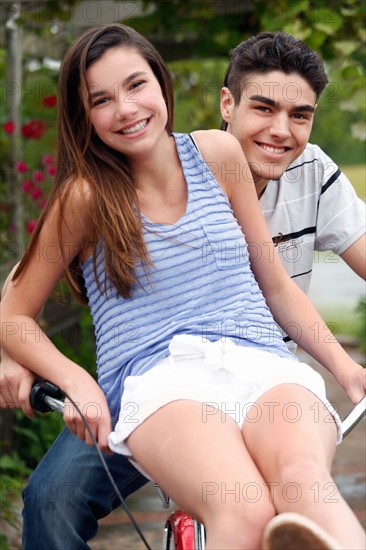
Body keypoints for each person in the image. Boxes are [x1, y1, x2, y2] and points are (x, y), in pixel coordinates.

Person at [0, 28, 365, 549]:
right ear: (83, 115)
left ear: (161, 83)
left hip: (261, 363)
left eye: (136, 85)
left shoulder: (218, 154)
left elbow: (276, 285)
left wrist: (349, 370)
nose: (125, 109)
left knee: (307, 487)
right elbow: (13, 311)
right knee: (243, 509)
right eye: (101, 99)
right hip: (162, 380)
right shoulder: (84, 198)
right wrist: (76, 381)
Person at [219, 32, 365, 351]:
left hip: (280, 381)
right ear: (228, 104)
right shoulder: (179, 178)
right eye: (264, 109)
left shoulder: (311, 169)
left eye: (299, 115)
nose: (281, 131)